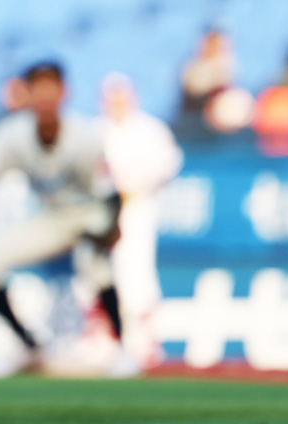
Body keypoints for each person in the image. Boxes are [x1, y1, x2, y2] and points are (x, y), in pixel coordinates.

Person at [0, 61, 125, 376]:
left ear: (64, 93)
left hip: (91, 214)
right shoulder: (13, 134)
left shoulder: (84, 135)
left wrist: (112, 228)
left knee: (96, 265)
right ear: (28, 94)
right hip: (53, 218)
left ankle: (123, 350)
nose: (46, 98)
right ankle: (30, 347)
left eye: (52, 89)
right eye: (39, 89)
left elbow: (110, 194)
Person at [99, 72, 182, 367]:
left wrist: (136, 186)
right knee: (100, 274)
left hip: (137, 207)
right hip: (102, 212)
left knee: (137, 273)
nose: (116, 104)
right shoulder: (97, 130)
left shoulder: (149, 129)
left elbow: (169, 162)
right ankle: (108, 340)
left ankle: (145, 341)